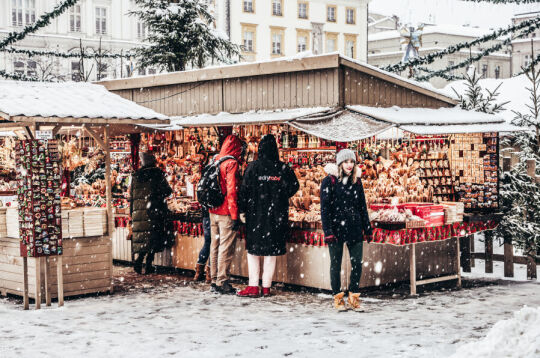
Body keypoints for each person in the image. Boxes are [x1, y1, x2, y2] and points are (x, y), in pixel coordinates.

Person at [237, 134, 299, 298]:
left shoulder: (253, 167)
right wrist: (280, 194)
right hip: (276, 217)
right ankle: (266, 287)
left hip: (255, 216)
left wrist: (242, 210)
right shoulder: (283, 168)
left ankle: (252, 286)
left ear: (260, 149)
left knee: (253, 252)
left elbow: (243, 191)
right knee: (271, 254)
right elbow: (294, 186)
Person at [320, 149, 372, 311]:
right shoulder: (329, 181)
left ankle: (354, 296)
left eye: (352, 162)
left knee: (357, 263)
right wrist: (327, 231)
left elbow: (362, 206)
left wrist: (367, 228)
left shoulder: (357, 182)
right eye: (346, 162)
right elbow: (325, 209)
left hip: (354, 228)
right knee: (336, 264)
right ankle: (337, 297)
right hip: (336, 229)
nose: (349, 165)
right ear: (340, 163)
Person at [208, 135, 245, 294]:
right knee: (225, 247)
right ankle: (222, 281)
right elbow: (232, 192)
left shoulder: (215, 160)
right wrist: (235, 215)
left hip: (213, 210)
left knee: (214, 245)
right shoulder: (231, 163)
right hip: (226, 212)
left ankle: (214, 278)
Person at [130, 152, 173, 275]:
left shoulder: (136, 176)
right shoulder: (157, 173)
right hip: (154, 210)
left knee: (144, 238)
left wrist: (132, 213)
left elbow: (132, 197)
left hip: (138, 212)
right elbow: (167, 191)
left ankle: (139, 261)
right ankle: (148, 264)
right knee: (153, 238)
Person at [193, 207, 212, 283]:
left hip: (206, 216)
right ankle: (209, 273)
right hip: (214, 214)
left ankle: (198, 272)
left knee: (207, 243)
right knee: (214, 245)